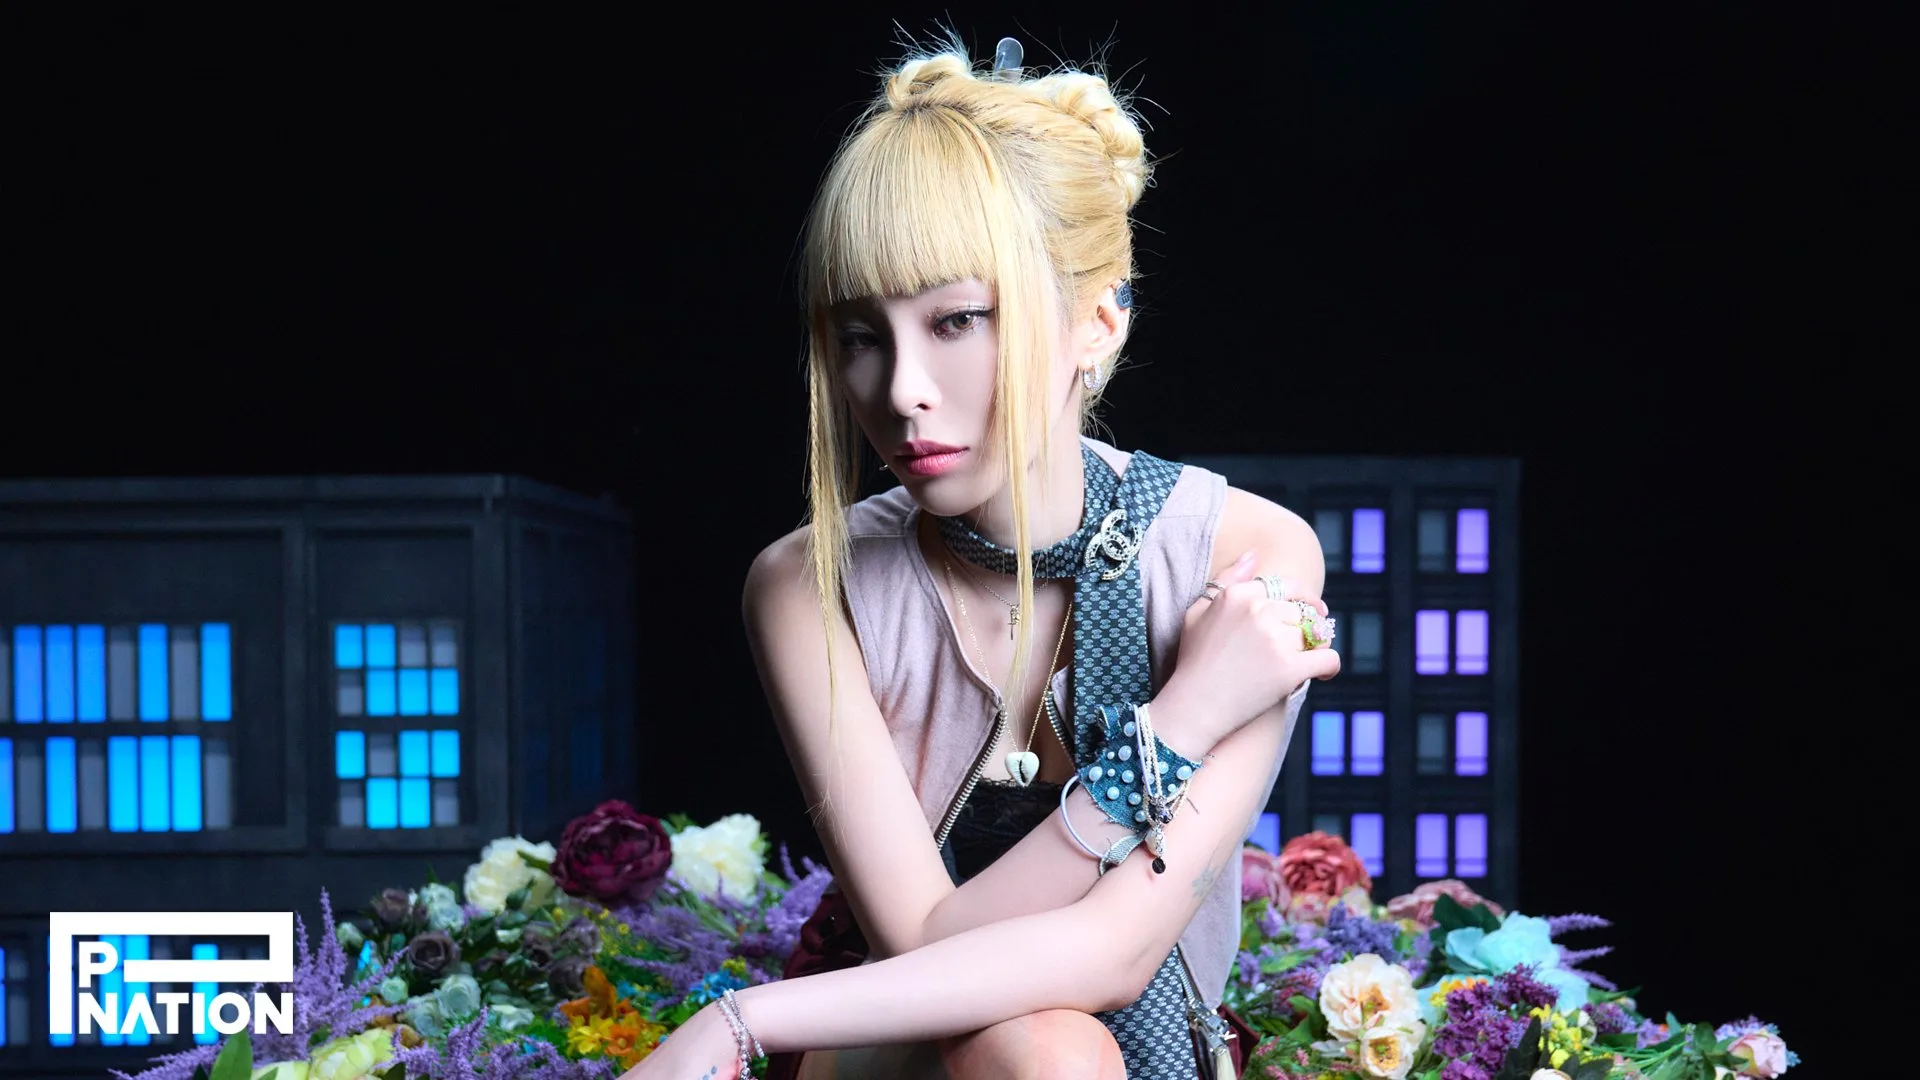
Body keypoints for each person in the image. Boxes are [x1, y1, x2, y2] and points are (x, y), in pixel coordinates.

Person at [623, 36, 1340, 1080]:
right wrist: (1182, 723)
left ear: (1099, 320)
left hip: (1134, 1053)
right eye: (861, 336)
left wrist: (740, 1021)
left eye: (957, 320)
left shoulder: (1248, 558)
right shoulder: (806, 583)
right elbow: (922, 938)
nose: (901, 389)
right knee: (1047, 1051)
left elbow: (1119, 956)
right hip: (890, 1045)